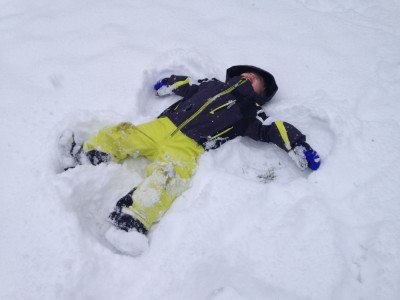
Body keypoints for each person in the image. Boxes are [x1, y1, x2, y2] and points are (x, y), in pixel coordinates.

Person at [62, 65, 321, 255]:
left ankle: (132, 220)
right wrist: (171, 83)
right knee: (125, 133)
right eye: (249, 73)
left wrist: (297, 144)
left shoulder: (250, 112)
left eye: (257, 81)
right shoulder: (212, 85)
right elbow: (190, 85)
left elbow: (273, 128)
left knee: (169, 177)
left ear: (260, 95)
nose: (251, 76)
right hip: (164, 126)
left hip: (188, 145)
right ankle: (90, 153)